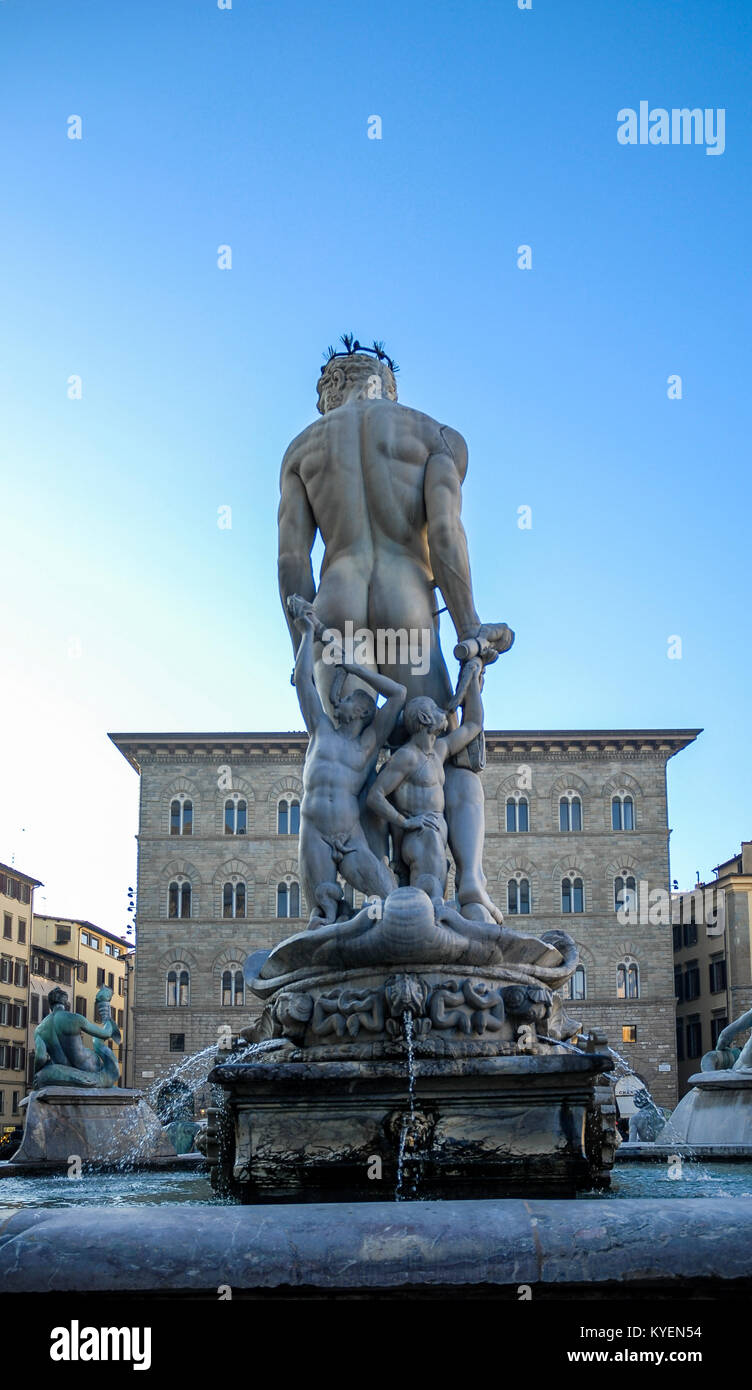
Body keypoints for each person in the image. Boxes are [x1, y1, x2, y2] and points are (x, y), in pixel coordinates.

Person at [277, 345, 513, 920]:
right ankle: (471, 891)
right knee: (442, 751)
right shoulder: (435, 437)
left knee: (350, 753)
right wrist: (470, 631)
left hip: (337, 607)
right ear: (388, 384)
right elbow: (448, 537)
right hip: (406, 600)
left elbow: (291, 563)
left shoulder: (303, 449)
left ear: (331, 393)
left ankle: (358, 908)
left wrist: (303, 651)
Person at [289, 595, 406, 923]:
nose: (339, 702)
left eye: (350, 699)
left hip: (350, 838)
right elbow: (302, 682)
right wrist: (306, 634)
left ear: (363, 711)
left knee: (391, 898)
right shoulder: (321, 730)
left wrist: (354, 668)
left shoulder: (369, 744)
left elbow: (398, 695)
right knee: (321, 914)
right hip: (315, 832)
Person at [366, 666, 483, 906]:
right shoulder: (407, 757)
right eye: (435, 708)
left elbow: (474, 725)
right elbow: (374, 796)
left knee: (435, 897)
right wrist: (405, 822)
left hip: (435, 836)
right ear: (425, 718)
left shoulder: (439, 750)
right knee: (429, 901)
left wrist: (472, 679)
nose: (442, 712)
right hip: (420, 837)